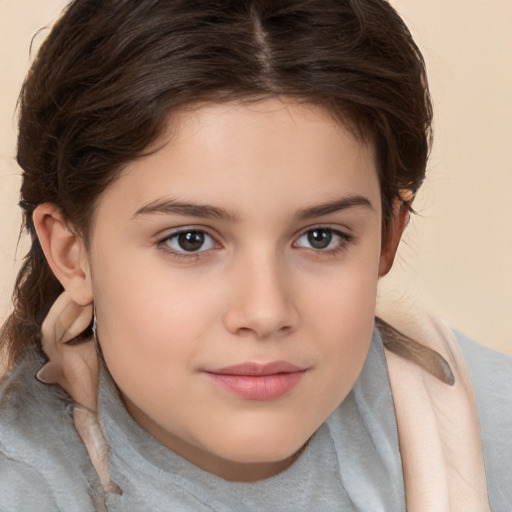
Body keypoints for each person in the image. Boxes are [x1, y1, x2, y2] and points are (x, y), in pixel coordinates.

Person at [0, 0, 510, 510]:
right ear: (71, 253)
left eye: (321, 237)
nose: (265, 312)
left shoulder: (491, 431)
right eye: (190, 240)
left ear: (387, 237)